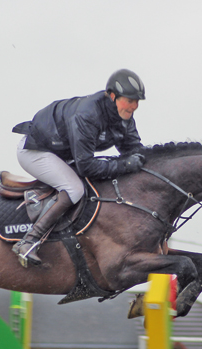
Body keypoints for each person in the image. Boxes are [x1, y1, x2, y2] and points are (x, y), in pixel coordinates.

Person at [11, 69, 148, 267]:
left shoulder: (124, 117)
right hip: (35, 152)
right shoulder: (87, 114)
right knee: (75, 188)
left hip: (62, 155)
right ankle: (29, 241)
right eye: (130, 100)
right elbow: (86, 166)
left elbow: (133, 150)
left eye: (137, 102)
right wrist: (125, 164)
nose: (134, 106)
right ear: (112, 96)